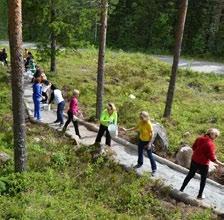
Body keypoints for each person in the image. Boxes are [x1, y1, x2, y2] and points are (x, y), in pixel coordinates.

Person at [180, 128, 224, 199]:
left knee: (190, 175)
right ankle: (200, 195)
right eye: (216, 136)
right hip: (203, 164)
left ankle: (181, 189)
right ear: (212, 135)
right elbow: (212, 158)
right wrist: (221, 164)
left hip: (194, 160)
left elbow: (194, 147)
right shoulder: (211, 144)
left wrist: (199, 153)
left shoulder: (199, 138)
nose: (216, 138)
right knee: (203, 179)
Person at [122, 111, 157, 176]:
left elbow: (152, 134)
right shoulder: (141, 122)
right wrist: (126, 130)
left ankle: (154, 169)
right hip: (141, 140)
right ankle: (140, 163)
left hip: (147, 141)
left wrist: (149, 143)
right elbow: (135, 128)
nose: (140, 118)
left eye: (142, 117)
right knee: (140, 152)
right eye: (140, 117)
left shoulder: (148, 124)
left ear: (146, 117)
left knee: (150, 155)